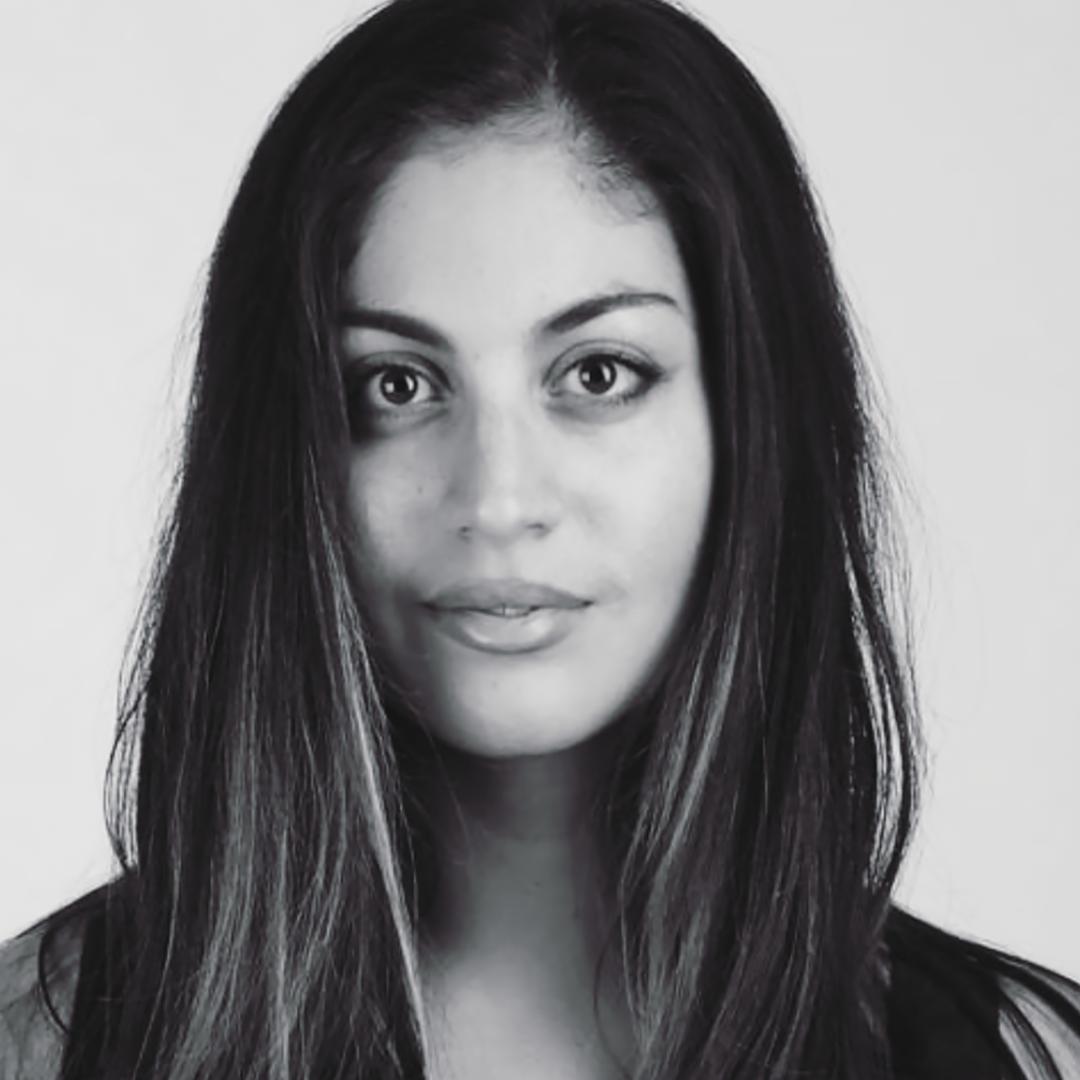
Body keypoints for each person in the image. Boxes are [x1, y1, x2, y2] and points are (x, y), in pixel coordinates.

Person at [1, 0, 1078, 1076]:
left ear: (755, 418)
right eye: (396, 385)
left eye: (599, 374)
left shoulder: (1022, 1060)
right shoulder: (39, 1044)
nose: (499, 498)